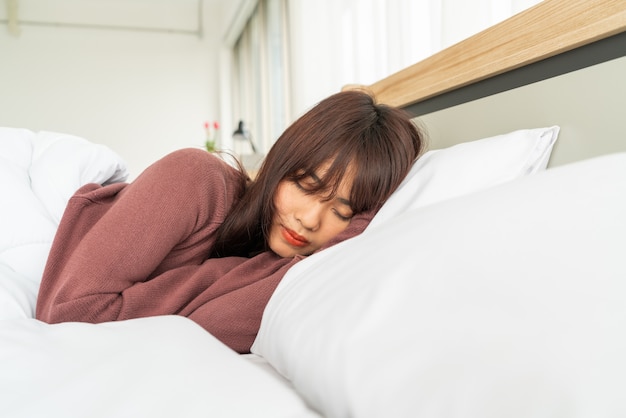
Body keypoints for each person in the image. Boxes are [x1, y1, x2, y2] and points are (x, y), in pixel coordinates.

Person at [35, 90, 424, 353]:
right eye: (306, 185)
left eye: (341, 212)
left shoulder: (286, 266)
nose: (309, 219)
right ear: (281, 162)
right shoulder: (197, 179)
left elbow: (213, 325)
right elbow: (70, 314)